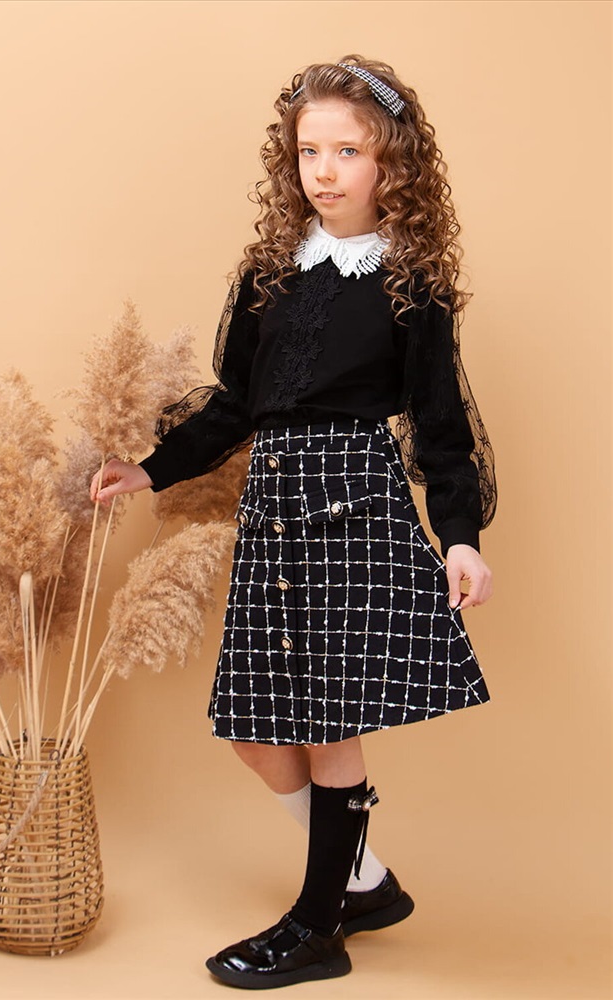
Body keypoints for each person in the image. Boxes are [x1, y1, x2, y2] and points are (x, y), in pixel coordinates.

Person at [90, 55, 496, 990]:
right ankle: (363, 882)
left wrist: (461, 539)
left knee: (328, 722)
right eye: (309, 150)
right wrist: (150, 470)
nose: (324, 169)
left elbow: (441, 429)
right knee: (257, 727)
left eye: (347, 150)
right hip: (274, 510)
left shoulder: (413, 285)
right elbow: (235, 405)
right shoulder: (269, 275)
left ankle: (318, 926)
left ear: (392, 163)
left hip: (354, 508)